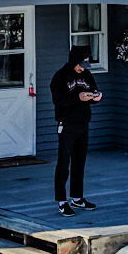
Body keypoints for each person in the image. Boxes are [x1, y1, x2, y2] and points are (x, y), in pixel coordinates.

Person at [49, 48, 102, 217]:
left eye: (85, 65)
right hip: (67, 124)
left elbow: (93, 90)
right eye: (81, 64)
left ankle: (77, 197)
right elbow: (59, 101)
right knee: (64, 163)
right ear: (73, 61)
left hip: (83, 123)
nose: (83, 68)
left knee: (80, 162)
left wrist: (96, 97)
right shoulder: (60, 77)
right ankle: (61, 201)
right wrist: (77, 98)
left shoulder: (86, 75)